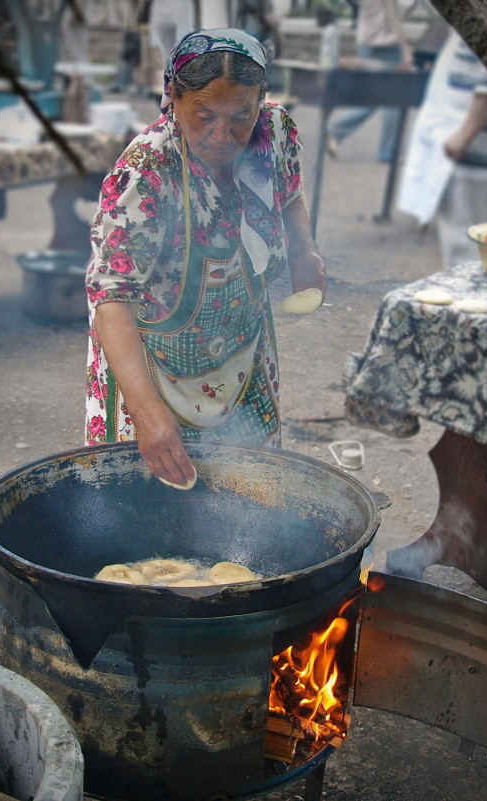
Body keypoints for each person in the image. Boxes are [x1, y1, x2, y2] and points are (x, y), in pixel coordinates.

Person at [85, 28, 326, 487]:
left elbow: (290, 191)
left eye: (241, 115)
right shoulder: (147, 171)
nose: (222, 135)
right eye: (205, 115)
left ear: (261, 99)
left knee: (251, 496)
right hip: (153, 371)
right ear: (174, 97)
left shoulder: (274, 130)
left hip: (243, 350)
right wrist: (146, 411)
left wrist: (304, 251)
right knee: (145, 508)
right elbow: (111, 298)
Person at [396, 30, 487, 269]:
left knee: (467, 251)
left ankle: (470, 304)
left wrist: (464, 136)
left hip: (471, 154)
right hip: (479, 150)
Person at [326, 0, 413, 162]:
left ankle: (336, 130)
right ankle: (388, 151)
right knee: (393, 99)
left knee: (371, 97)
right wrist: (405, 46)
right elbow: (392, 17)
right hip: (387, 42)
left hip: (366, 39)